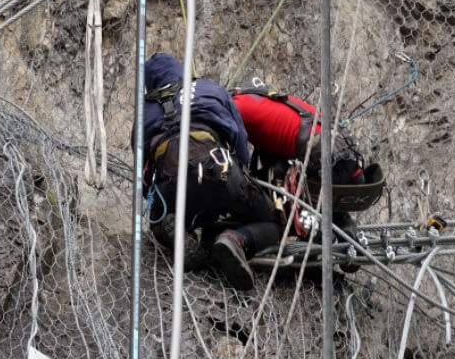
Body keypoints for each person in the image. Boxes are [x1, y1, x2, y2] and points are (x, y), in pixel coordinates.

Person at [137, 53, 283, 290]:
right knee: (272, 221)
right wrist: (243, 174)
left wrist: (156, 202)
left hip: (171, 184)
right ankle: (236, 239)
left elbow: (143, 175)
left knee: (161, 216)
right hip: (218, 170)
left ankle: (177, 228)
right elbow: (239, 137)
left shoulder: (144, 111)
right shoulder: (209, 88)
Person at [231, 82, 385, 271]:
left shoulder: (233, 109)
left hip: (323, 158)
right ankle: (345, 234)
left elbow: (238, 164)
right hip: (347, 159)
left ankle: (311, 254)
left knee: (285, 200)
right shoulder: (262, 99)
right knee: (322, 202)